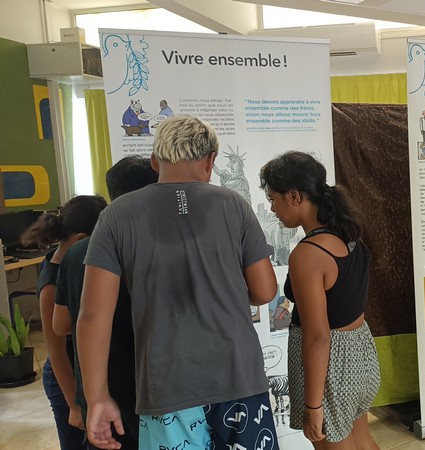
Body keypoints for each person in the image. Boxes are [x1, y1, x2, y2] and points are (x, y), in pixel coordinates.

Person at [77, 116, 279, 450]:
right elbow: (264, 291)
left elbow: (93, 316)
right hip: (238, 377)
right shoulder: (234, 205)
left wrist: (97, 397)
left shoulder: (116, 215)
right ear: (210, 161)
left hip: (166, 386)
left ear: (155, 161)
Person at [260, 151, 380, 449]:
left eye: (273, 199)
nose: (272, 208)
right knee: (361, 440)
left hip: (330, 367)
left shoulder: (309, 254)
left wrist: (313, 405)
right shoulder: (349, 234)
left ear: (294, 196)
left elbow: (317, 335)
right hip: (359, 353)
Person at [51, 156, 159, 449]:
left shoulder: (77, 252)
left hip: (98, 388)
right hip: (150, 389)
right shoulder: (156, 246)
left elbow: (60, 325)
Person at [21, 195, 107, 450]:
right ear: (81, 239)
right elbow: (56, 352)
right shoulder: (52, 283)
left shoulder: (73, 264)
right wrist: (74, 404)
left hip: (81, 370)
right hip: (65, 380)